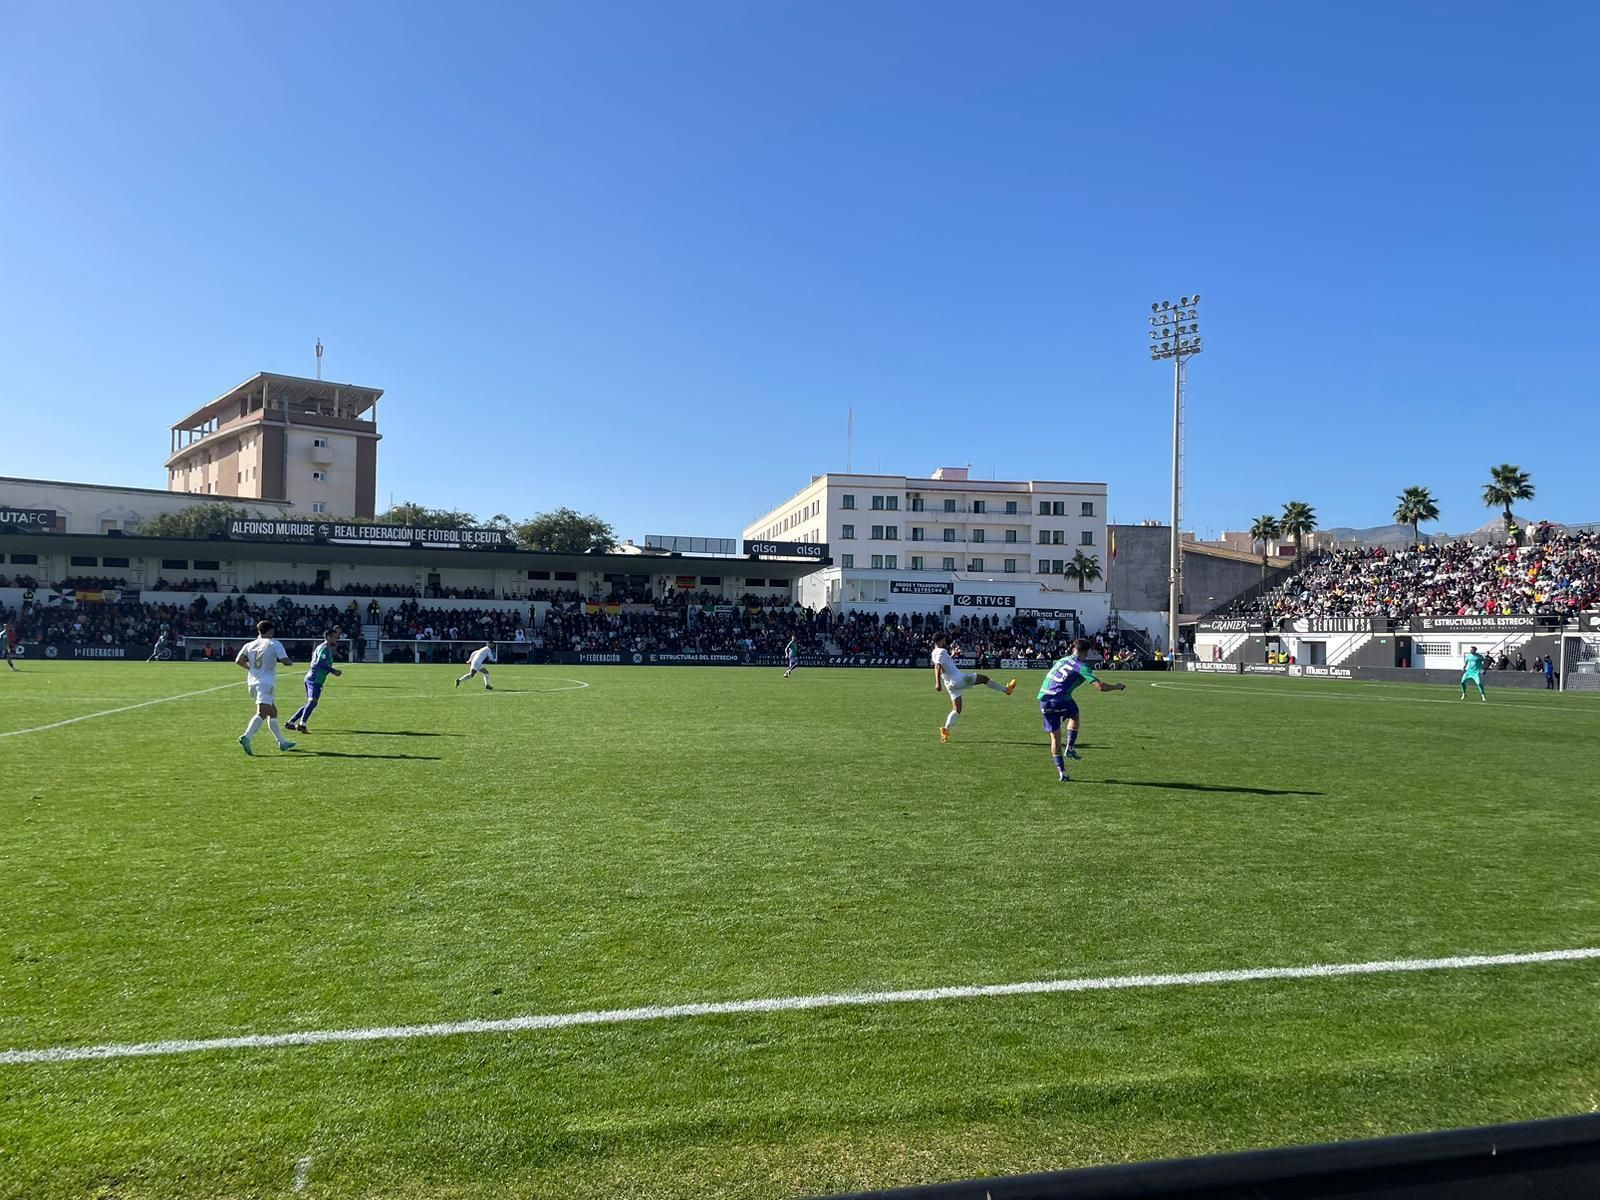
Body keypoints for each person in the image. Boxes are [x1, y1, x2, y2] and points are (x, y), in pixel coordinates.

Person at [1038, 638, 1126, 782]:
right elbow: (1100, 687)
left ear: (1074, 648)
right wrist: (1117, 686)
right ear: (1087, 652)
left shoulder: (1061, 660)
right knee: (1075, 714)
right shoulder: (1081, 666)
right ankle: (1070, 747)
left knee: (1055, 737)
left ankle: (1062, 773)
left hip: (1044, 700)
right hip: (1061, 700)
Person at [930, 633, 1015, 742]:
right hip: (959, 679)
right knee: (984, 678)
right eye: (944, 640)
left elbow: (943, 665)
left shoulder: (934, 653)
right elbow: (938, 667)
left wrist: (952, 655)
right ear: (940, 640)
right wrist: (937, 683)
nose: (945, 642)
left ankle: (945, 731)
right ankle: (1007, 690)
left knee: (957, 709)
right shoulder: (941, 651)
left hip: (950, 684)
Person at [235, 619, 296, 755]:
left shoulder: (249, 644)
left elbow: (238, 660)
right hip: (266, 683)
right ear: (271, 630)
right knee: (262, 712)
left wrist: (250, 669)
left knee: (272, 712)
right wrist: (291, 662)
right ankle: (247, 736)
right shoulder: (274, 643)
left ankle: (282, 742)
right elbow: (285, 661)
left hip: (252, 682)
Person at [286, 628, 343, 733]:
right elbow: (319, 663)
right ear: (328, 637)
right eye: (335, 637)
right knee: (313, 701)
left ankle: (291, 722)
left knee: (311, 702)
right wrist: (333, 671)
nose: (337, 639)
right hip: (314, 679)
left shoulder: (323, 648)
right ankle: (302, 724)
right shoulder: (324, 648)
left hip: (315, 678)